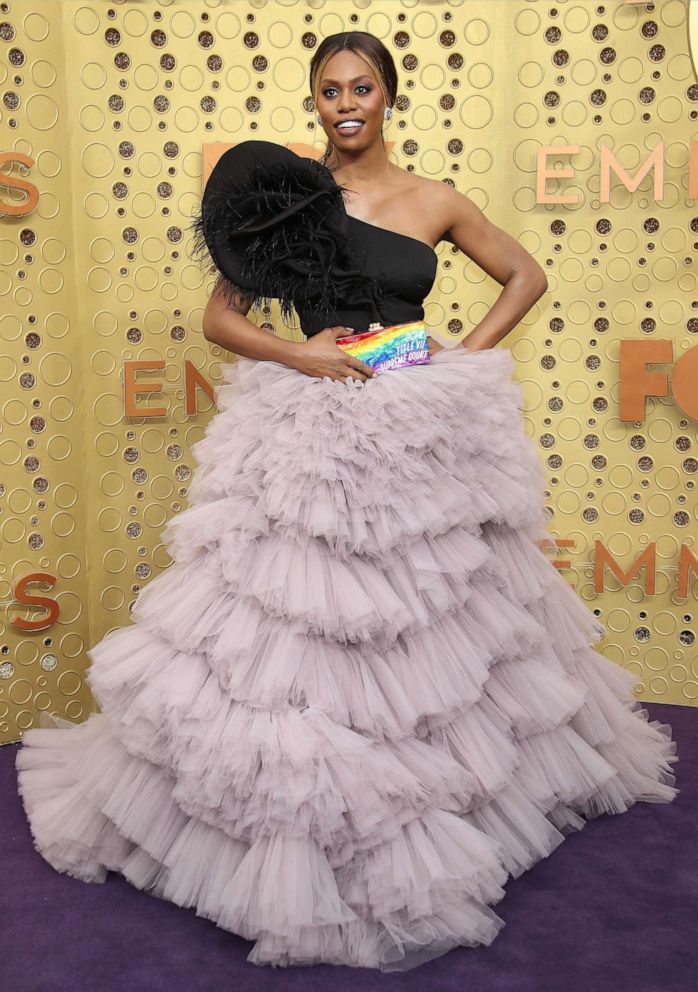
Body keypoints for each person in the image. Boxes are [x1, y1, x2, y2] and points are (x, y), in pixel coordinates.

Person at [15, 30, 678, 973]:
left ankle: (426, 801)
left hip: (418, 414)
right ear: (316, 103)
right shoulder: (292, 195)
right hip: (315, 418)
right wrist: (305, 356)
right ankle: (309, 819)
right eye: (330, 91)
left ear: (389, 95)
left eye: (362, 87)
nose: (346, 104)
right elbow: (220, 319)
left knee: (431, 618)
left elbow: (527, 275)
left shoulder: (436, 199)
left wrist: (462, 350)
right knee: (303, 617)